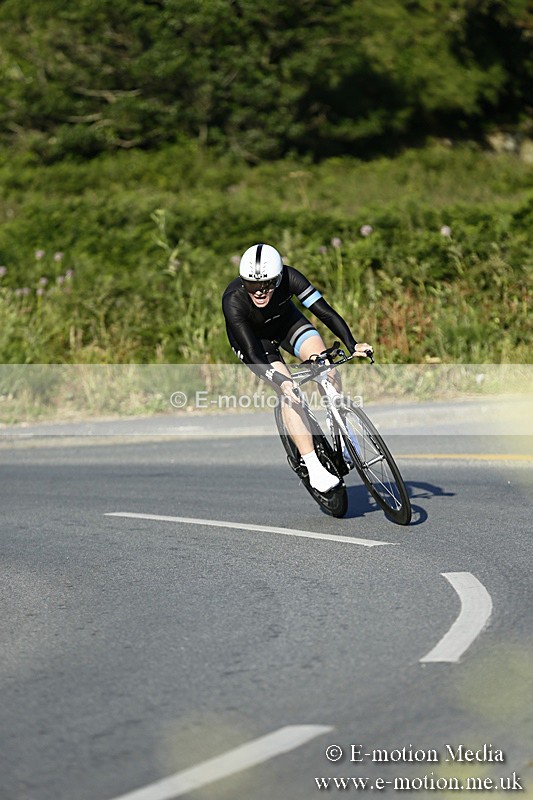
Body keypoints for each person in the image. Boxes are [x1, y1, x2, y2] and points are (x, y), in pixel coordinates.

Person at [222, 243, 373, 492]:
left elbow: (325, 312)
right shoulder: (233, 300)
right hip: (254, 342)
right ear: (243, 281)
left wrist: (352, 344)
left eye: (268, 284)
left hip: (286, 323)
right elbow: (251, 352)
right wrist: (282, 381)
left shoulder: (292, 277)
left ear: (279, 278)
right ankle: (313, 467)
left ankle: (342, 430)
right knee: (289, 393)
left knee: (328, 369)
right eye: (252, 284)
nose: (260, 291)